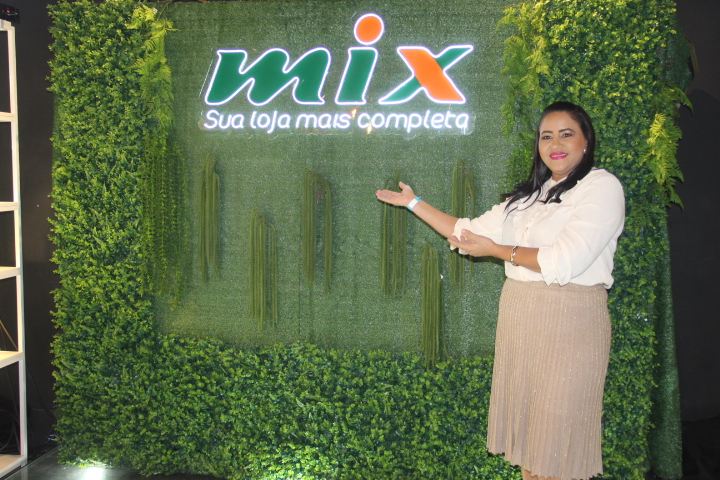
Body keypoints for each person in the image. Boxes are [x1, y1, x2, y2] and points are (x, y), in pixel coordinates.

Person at [375, 101, 625, 480]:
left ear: (586, 141)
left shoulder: (602, 187)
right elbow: (467, 230)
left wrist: (498, 250)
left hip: (571, 322)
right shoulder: (528, 197)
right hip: (520, 318)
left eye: (566, 134)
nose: (555, 144)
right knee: (530, 447)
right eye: (546, 136)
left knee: (557, 443)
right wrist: (413, 203)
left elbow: (566, 260)